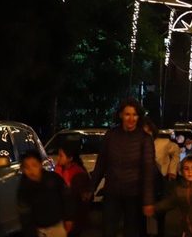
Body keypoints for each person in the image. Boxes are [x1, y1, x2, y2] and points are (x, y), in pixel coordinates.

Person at [90, 97, 156, 237]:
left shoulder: (145, 139)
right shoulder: (111, 135)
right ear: (121, 115)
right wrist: (91, 188)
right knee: (108, 230)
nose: (131, 119)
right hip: (112, 192)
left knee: (131, 231)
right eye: (127, 114)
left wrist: (148, 200)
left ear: (139, 116)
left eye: (134, 115)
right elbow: (101, 164)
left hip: (134, 194)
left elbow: (148, 172)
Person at [17, 150, 73, 237]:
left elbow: (67, 198)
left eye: (34, 165)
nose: (31, 170)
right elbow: (25, 214)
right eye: (27, 167)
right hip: (39, 230)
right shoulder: (24, 188)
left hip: (57, 226)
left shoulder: (54, 179)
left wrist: (69, 218)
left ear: (40, 165)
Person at [143, 119, 179, 237]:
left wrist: (172, 170)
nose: (146, 135)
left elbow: (176, 151)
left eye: (148, 132)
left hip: (160, 181)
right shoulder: (138, 145)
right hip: (143, 183)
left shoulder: (163, 143)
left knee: (159, 212)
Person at [54, 143, 91, 236]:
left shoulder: (78, 174)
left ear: (70, 158)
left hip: (74, 215)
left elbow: (83, 199)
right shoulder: (58, 168)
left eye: (61, 156)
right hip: (60, 213)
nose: (58, 158)